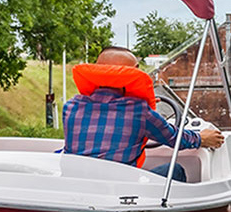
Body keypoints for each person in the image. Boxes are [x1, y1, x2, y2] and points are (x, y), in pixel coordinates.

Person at [62, 47, 222, 180]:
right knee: (175, 170)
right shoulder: (139, 111)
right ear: (133, 74)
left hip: (78, 187)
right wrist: (202, 138)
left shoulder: (71, 107)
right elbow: (174, 138)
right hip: (119, 192)